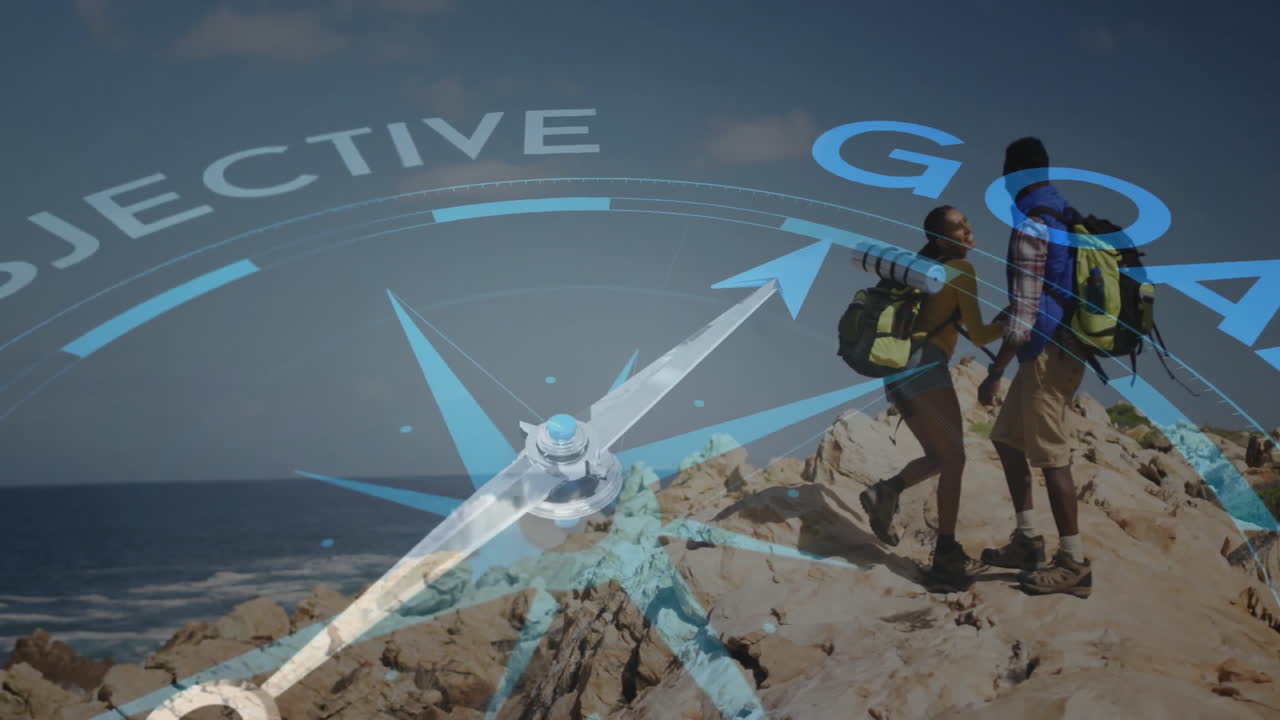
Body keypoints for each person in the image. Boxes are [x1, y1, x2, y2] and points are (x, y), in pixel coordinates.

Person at [860, 205, 1007, 590]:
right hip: (926, 367)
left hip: (896, 372)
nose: (968, 229)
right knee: (954, 458)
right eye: (960, 226)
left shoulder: (925, 271)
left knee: (942, 457)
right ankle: (945, 554)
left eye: (966, 222)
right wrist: (1007, 323)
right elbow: (978, 333)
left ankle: (885, 492)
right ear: (942, 239)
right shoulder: (961, 271)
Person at [976, 137, 1093, 599]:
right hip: (1059, 346)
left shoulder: (1032, 226)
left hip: (1046, 353)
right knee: (1006, 438)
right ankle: (1027, 541)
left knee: (1051, 456)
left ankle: (1074, 563)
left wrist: (994, 370)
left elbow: (1025, 318)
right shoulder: (1064, 213)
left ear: (1011, 178)